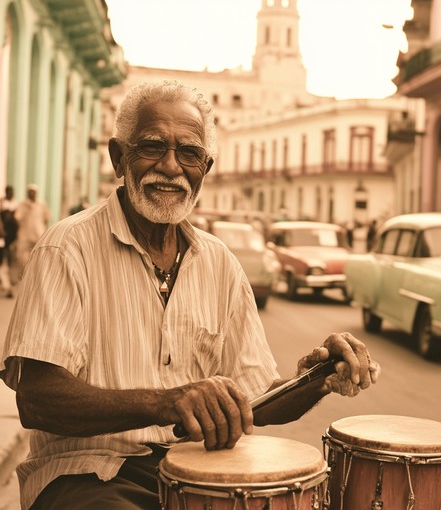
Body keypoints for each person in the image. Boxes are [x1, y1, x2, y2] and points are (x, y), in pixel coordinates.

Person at [0, 80, 380, 510]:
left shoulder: (220, 263)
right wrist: (167, 402)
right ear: (118, 158)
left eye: (189, 153)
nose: (171, 167)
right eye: (151, 146)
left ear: (206, 167)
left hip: (196, 472)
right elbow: (37, 400)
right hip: (87, 474)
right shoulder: (66, 248)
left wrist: (317, 379)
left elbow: (254, 400)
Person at [14, 184, 51, 277]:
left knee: (39, 257)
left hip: (39, 235)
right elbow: (17, 218)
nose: (31, 194)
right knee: (23, 258)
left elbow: (46, 219)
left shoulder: (42, 204)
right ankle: (24, 275)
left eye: (33, 192)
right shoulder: (22, 205)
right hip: (25, 236)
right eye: (30, 192)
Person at [0, 185, 18, 297]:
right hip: (3, 237)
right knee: (2, 261)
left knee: (10, 262)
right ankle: (6, 285)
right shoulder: (2, 203)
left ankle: (8, 286)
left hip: (11, 237)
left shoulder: (15, 204)